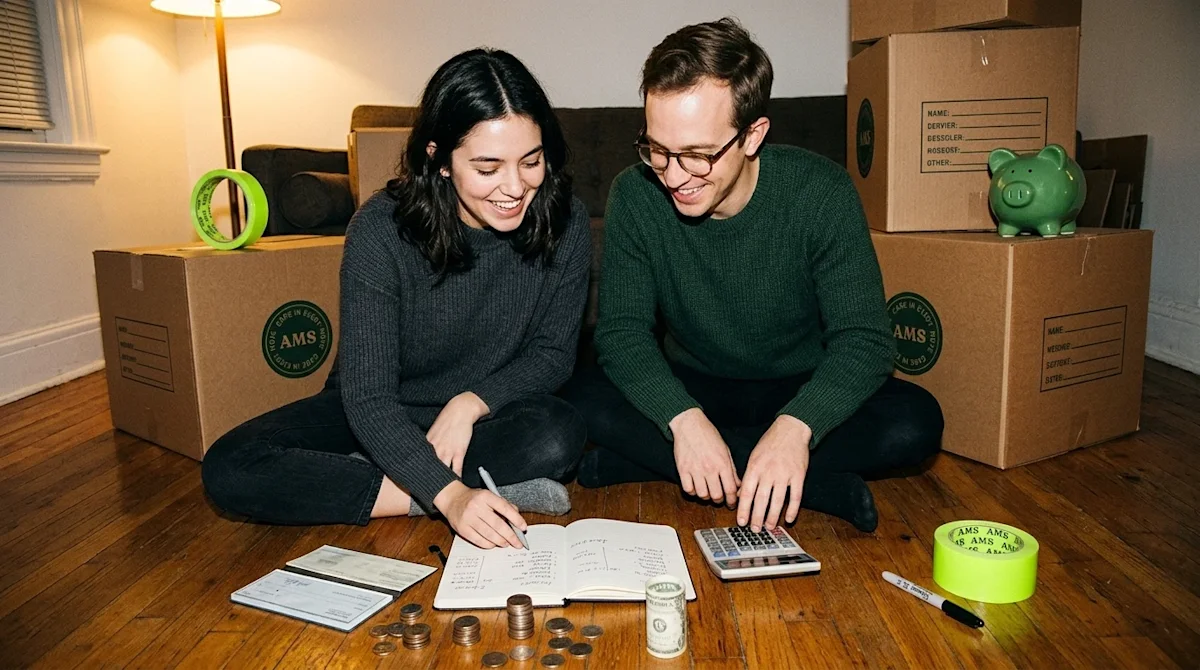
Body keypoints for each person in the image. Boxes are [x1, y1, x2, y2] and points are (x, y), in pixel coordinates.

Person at [561, 18, 944, 534]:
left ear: (752, 136)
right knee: (578, 396)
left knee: (917, 422)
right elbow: (622, 333)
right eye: (657, 149)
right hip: (693, 387)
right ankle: (805, 483)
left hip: (800, 387)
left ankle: (665, 464)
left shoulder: (821, 192)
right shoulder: (635, 193)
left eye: (697, 155)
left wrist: (797, 429)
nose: (673, 175)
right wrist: (683, 421)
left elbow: (866, 340)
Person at [202, 48, 592, 550]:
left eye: (531, 161)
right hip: (377, 411)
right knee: (230, 466)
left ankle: (366, 482)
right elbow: (367, 398)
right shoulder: (380, 228)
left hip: (482, 420)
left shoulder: (566, 220)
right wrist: (449, 496)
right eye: (488, 168)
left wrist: (469, 404)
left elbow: (553, 355)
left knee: (558, 434)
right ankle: (438, 493)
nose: (516, 187)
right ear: (439, 159)